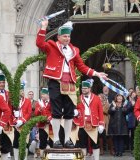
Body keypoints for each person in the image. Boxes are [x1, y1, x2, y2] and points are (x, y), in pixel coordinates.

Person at [36, 19, 107, 148]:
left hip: (70, 83)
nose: (67, 38)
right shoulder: (51, 45)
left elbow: (82, 66)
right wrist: (43, 27)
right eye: (64, 36)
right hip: (55, 81)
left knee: (69, 111)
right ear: (59, 37)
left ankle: (67, 139)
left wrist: (97, 73)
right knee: (56, 111)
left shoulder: (75, 50)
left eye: (68, 36)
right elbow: (39, 43)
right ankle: (57, 139)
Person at [74, 79, 105, 160]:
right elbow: (77, 109)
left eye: (85, 88)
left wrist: (101, 124)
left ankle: (96, 159)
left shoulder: (96, 98)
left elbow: (100, 111)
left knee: (95, 143)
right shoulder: (78, 98)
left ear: (89, 88)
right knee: (82, 144)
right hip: (82, 123)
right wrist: (76, 112)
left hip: (93, 123)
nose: (83, 90)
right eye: (82, 88)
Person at [0, 73, 15, 159]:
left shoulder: (9, 94)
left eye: (3, 82)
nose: (2, 84)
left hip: (7, 122)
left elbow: (14, 106)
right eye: (0, 82)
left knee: (6, 145)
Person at [13, 83, 32, 160]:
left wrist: (22, 120)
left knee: (25, 142)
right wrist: (15, 121)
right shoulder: (13, 101)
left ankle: (24, 158)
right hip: (16, 125)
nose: (21, 92)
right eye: (19, 91)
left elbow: (29, 112)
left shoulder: (27, 101)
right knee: (16, 143)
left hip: (25, 125)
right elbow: (10, 112)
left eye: (22, 90)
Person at [34, 88, 52, 158]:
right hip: (42, 125)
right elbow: (35, 113)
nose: (42, 96)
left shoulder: (52, 102)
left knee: (52, 142)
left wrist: (49, 118)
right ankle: (42, 157)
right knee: (42, 142)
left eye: (44, 94)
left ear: (48, 95)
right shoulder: (39, 103)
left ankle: (51, 157)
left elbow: (54, 112)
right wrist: (39, 109)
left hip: (51, 125)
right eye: (41, 94)